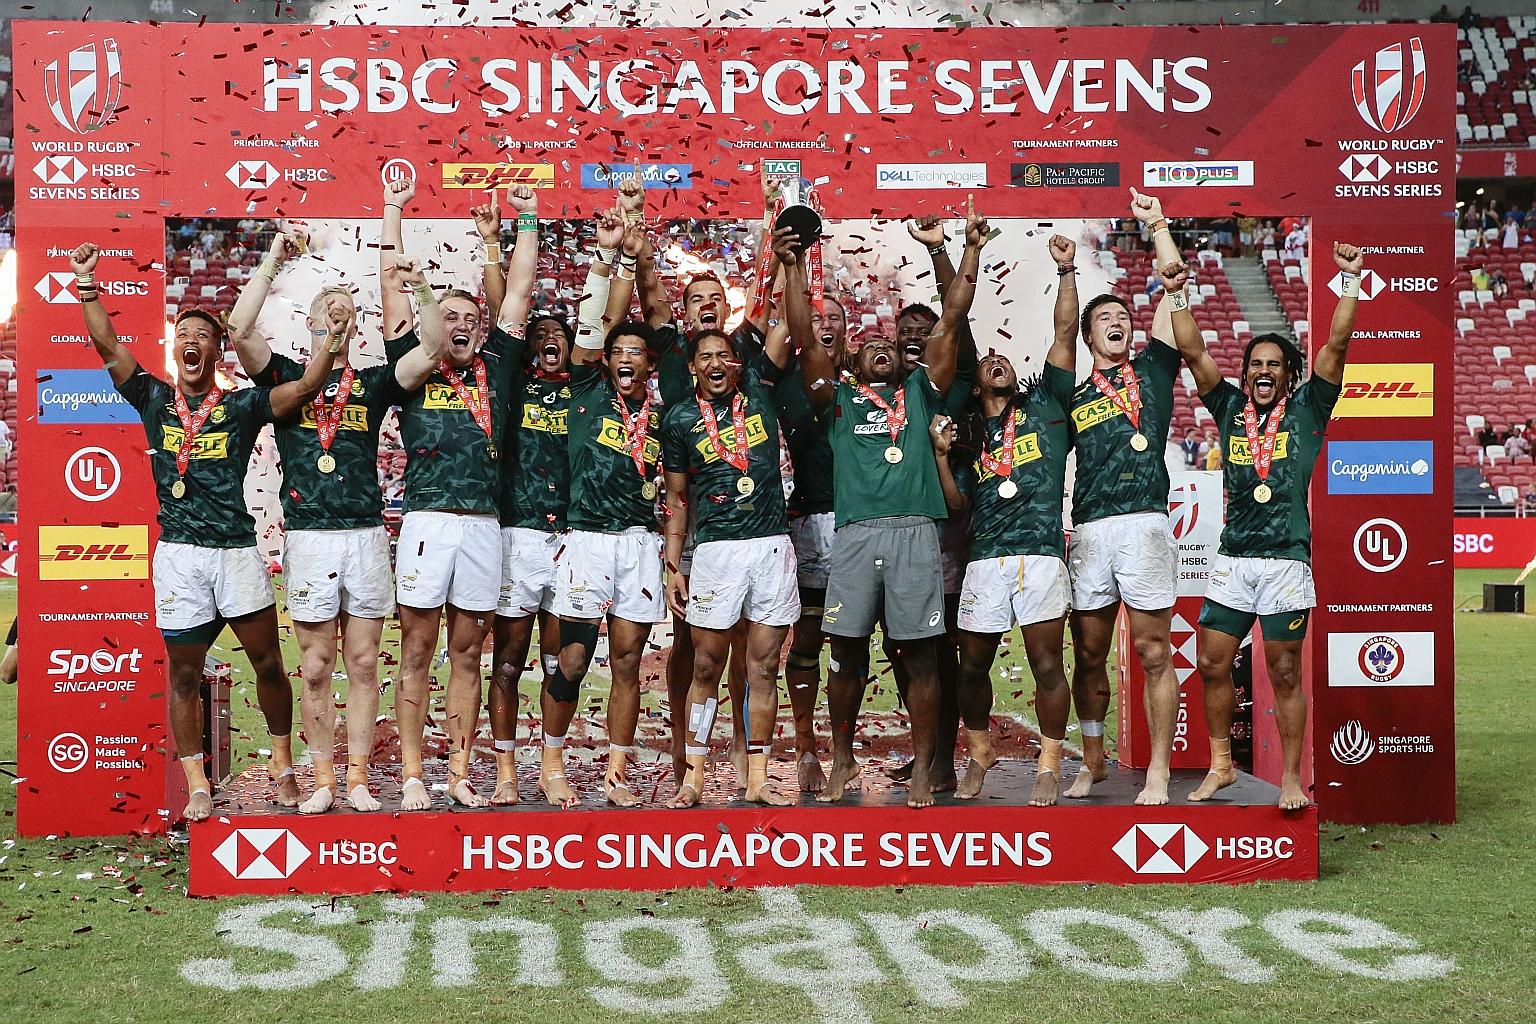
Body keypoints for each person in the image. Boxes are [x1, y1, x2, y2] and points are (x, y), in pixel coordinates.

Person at [71, 241, 343, 823]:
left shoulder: (241, 407)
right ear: (174, 348)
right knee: (185, 673)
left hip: (236, 553)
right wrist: (88, 284)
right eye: (183, 335)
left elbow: (300, 391)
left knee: (269, 665)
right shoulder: (152, 397)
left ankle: (281, 762)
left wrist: (333, 348)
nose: (191, 342)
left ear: (218, 350)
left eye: (202, 336)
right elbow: (107, 344)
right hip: (180, 557)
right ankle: (197, 782)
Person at [225, 205, 447, 814]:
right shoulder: (287, 377)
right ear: (312, 322)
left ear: (361, 324)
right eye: (330, 312)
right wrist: (274, 257)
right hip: (309, 537)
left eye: (348, 312)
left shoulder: (373, 383)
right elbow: (239, 329)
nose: (340, 319)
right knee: (318, 667)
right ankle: (323, 779)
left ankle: (355, 778)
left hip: (365, 535)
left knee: (364, 660)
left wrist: (420, 284)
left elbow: (433, 345)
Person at [799, 195, 989, 809]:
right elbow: (804, 338)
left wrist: (966, 249)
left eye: (890, 343)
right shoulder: (837, 400)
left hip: (914, 533)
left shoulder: (924, 389)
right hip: (855, 536)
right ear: (849, 358)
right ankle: (844, 758)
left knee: (921, 656)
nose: (882, 346)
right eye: (869, 345)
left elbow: (952, 320)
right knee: (846, 654)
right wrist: (794, 268)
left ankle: (924, 766)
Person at [1181, 222, 1363, 810]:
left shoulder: (1311, 406)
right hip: (1234, 558)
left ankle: (1289, 778)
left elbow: (1335, 347)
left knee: (1284, 672)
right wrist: (1176, 295)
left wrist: (1351, 280)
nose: (1263, 371)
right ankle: (1222, 765)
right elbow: (1192, 350)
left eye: (1274, 364)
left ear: (1289, 374)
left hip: (1285, 559)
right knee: (1211, 661)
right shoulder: (1230, 408)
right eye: (1255, 363)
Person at [385, 183, 540, 810]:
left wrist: (524, 218)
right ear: (430, 324)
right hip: (427, 520)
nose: (463, 325)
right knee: (418, 647)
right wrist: (394, 211)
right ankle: (415, 774)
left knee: (469, 652)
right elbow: (394, 282)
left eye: (471, 318)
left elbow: (522, 290)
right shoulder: (414, 358)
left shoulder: (498, 362)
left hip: (484, 526)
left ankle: (459, 772)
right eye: (450, 316)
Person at [662, 226, 808, 808]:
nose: (718, 363)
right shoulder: (678, 420)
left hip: (771, 544)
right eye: (707, 358)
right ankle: (695, 774)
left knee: (765, 664)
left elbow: (785, 330)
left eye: (726, 355)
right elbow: (677, 498)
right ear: (693, 367)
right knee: (705, 663)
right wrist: (675, 560)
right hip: (717, 548)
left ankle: (756, 777)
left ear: (736, 365)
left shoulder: (763, 393)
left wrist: (787, 264)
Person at [946, 232, 1079, 805]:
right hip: (985, 559)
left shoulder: (1047, 405)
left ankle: (1049, 762)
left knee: (1047, 661)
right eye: (989, 362)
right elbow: (957, 505)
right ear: (975, 382)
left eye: (1006, 359)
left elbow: (1066, 332)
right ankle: (979, 750)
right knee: (970, 665)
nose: (999, 361)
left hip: (1042, 555)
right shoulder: (967, 435)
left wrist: (1067, 273)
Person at [1062, 186, 1186, 807]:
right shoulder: (1073, 397)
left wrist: (1157, 225)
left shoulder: (1156, 373)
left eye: (1124, 318)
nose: (1118, 322)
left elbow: (1174, 289)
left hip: (1143, 524)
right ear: (1088, 337)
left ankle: (1159, 770)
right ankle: (1092, 760)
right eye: (1105, 319)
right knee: (1088, 654)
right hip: (1089, 528)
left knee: (1152, 648)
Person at [543, 209, 669, 807]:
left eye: (634, 352)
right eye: (616, 350)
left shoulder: (665, 410)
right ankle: (551, 760)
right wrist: (611, 257)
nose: (623, 357)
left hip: (640, 539)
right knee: (570, 659)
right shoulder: (588, 387)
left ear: (647, 363)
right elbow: (595, 328)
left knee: (627, 661)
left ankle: (617, 776)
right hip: (587, 537)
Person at [472, 190, 577, 806]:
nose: (544, 339)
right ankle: (509, 770)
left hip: (571, 540)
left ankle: (553, 765)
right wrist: (497, 243)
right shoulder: (508, 385)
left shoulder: (589, 388)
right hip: (515, 534)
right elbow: (505, 307)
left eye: (554, 333)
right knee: (508, 661)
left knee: (563, 659)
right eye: (535, 333)